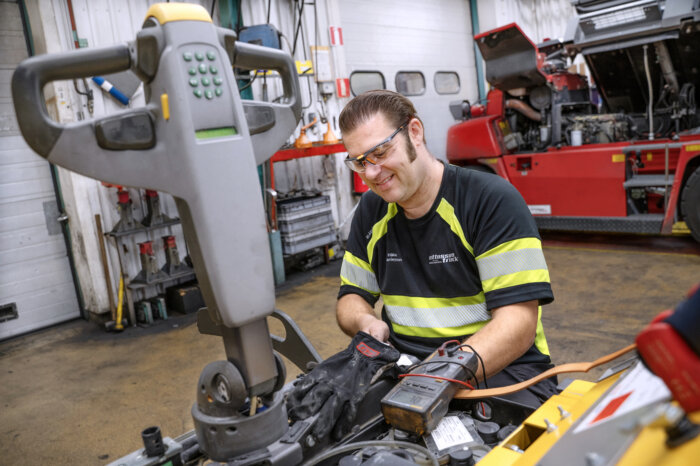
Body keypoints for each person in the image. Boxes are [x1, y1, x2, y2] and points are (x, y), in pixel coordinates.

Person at [336, 89, 557, 403]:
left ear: (414, 132)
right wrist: (365, 321)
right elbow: (351, 296)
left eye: (381, 152)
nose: (371, 173)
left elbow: (517, 324)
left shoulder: (490, 201)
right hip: (409, 370)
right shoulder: (372, 212)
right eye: (360, 162)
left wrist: (433, 379)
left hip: (499, 373)